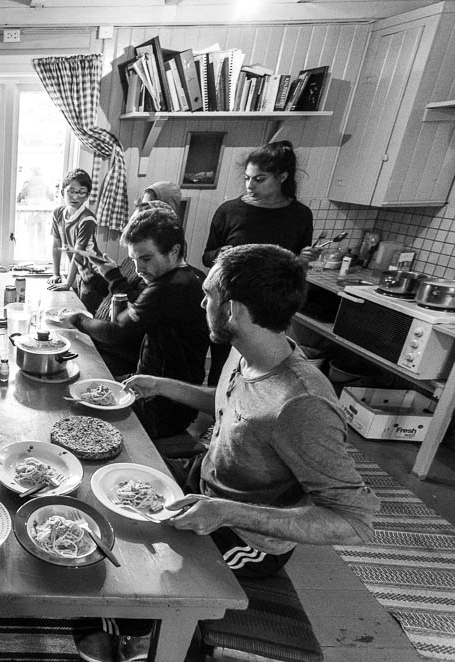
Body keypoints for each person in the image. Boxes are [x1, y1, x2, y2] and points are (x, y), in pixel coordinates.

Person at [76, 244, 379, 662]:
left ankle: (143, 638)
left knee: (133, 572)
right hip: (202, 484)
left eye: (209, 296)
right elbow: (231, 405)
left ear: (232, 309)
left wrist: (226, 512)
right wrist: (162, 384)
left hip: (243, 537)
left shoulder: (302, 405)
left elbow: (353, 521)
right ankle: (118, 621)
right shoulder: (250, 350)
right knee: (96, 509)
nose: (202, 303)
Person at [65, 204, 208, 440]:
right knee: (81, 384)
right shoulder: (189, 277)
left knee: (75, 414)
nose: (139, 269)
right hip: (158, 392)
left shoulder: (169, 287)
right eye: (134, 259)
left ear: (174, 251)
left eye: (146, 258)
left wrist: (78, 319)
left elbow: (118, 332)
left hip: (161, 408)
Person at [202, 141, 316, 386]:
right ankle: (218, 413)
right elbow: (207, 256)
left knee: (262, 371)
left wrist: (303, 262)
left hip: (270, 308)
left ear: (282, 177)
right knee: (222, 368)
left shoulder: (300, 216)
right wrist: (219, 252)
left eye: (259, 179)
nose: (250, 185)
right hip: (230, 304)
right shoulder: (230, 210)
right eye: (247, 178)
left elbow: (293, 273)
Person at [47, 168, 109, 314]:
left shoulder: (87, 219)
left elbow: (78, 253)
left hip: (95, 273)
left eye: (81, 192)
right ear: (62, 192)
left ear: (87, 196)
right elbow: (56, 244)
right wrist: (56, 274)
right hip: (81, 272)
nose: (75, 197)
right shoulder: (58, 213)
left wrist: (68, 283)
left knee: (87, 314)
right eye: (71, 191)